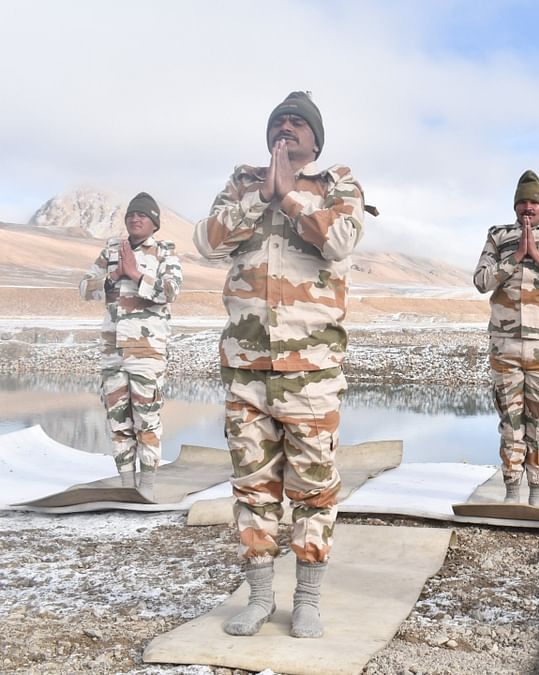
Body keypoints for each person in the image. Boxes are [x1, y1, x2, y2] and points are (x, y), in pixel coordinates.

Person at [194, 91, 366, 639]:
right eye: (279, 122)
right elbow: (206, 242)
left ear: (316, 139)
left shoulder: (337, 184)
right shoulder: (242, 184)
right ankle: (261, 596)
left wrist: (290, 198)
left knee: (313, 487)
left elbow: (339, 240)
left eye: (298, 123)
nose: (287, 129)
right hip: (246, 368)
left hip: (310, 371)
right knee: (252, 484)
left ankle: (308, 598)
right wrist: (259, 198)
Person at [80, 192, 182, 497]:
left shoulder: (165, 254)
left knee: (146, 419)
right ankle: (126, 485)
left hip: (146, 351)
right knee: (118, 420)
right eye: (131, 215)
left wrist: (135, 274)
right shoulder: (111, 251)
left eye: (143, 215)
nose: (135, 219)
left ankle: (147, 487)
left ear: (154, 224)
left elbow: (170, 292)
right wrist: (113, 277)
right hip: (113, 351)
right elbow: (85, 287)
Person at [473, 170, 539, 507]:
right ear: (515, 205)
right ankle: (512, 491)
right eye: (523, 202)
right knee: (511, 421)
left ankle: (537, 492)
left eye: (534, 202)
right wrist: (515, 257)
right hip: (505, 346)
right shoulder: (498, 235)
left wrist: (537, 256)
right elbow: (481, 280)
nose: (528, 208)